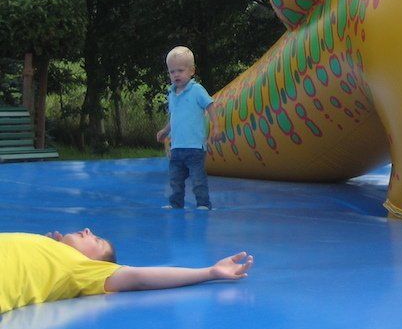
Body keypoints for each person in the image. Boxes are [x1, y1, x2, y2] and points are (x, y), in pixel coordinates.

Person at [0, 229, 252, 313]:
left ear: (98, 264)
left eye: (96, 240)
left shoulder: (84, 268)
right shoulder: (55, 250)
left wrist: (209, 272)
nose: (88, 230)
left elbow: (138, 277)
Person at [155, 46, 216, 210]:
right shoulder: (172, 94)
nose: (176, 75)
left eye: (180, 71)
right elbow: (175, 117)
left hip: (195, 147)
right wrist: (165, 131)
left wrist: (216, 126)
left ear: (192, 71)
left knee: (197, 179)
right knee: (175, 179)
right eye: (172, 71)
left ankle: (203, 203)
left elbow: (210, 105)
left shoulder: (197, 90)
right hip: (177, 147)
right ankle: (176, 203)